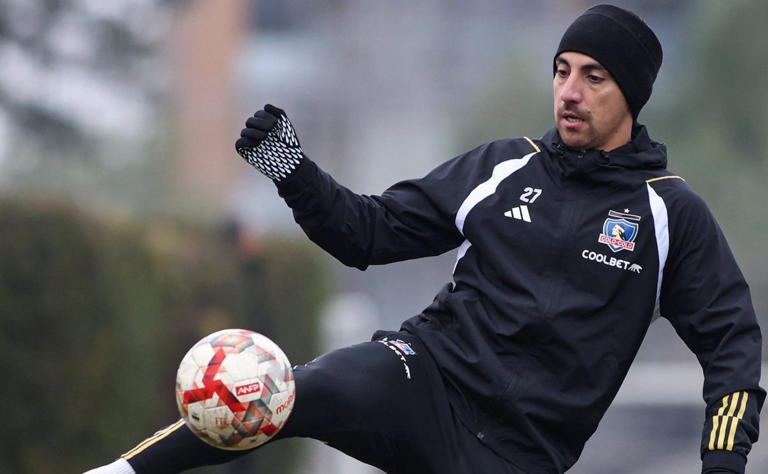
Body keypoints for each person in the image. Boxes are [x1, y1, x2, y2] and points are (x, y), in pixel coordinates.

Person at [86, 5, 764, 474]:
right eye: (562, 70)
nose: (570, 91)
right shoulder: (504, 166)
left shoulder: (670, 214)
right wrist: (294, 172)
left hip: (518, 456)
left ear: (632, 94)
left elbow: (733, 348)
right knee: (277, 391)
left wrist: (724, 462)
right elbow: (368, 233)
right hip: (423, 376)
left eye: (595, 76)